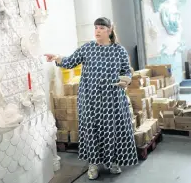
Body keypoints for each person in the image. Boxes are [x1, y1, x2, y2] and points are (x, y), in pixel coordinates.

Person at [45, 17, 138, 180]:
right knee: (91, 131)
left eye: (101, 28)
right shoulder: (87, 48)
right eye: (96, 27)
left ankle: (113, 161)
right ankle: (93, 164)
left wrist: (126, 80)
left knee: (111, 130)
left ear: (109, 30)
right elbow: (69, 62)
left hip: (112, 99)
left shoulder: (119, 51)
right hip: (90, 99)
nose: (97, 31)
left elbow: (127, 71)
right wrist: (57, 58)